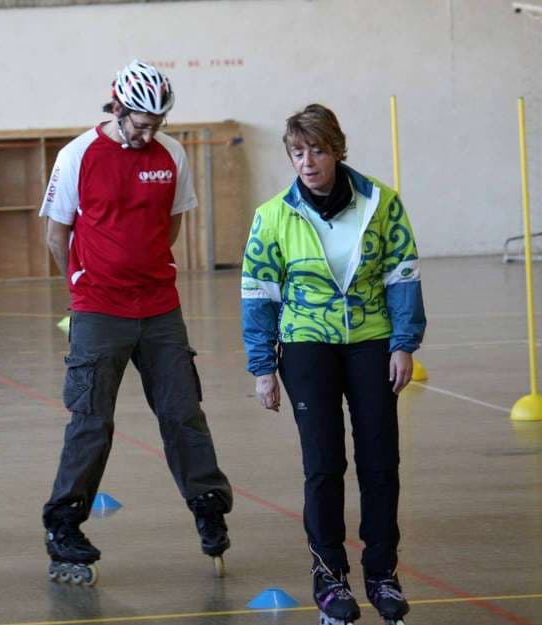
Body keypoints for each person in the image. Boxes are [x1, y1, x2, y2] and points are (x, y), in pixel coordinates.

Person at [38, 60, 233, 585]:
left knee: (182, 411)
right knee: (91, 421)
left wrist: (140, 265)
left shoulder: (171, 155)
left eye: (157, 123)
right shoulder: (77, 155)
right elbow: (57, 235)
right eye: (140, 122)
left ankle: (208, 505)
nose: (149, 133)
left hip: (160, 307)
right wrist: (82, 285)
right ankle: (65, 526)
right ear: (117, 107)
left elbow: (169, 225)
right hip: (99, 310)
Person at [241, 103, 425, 625]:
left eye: (317, 150)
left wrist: (404, 343)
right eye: (298, 152)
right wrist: (262, 366)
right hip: (305, 346)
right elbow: (257, 294)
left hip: (372, 343)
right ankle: (329, 576)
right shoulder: (273, 215)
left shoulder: (381, 203)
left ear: (337, 150)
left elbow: (402, 274)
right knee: (323, 466)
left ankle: (382, 574)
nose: (307, 162)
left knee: (379, 463)